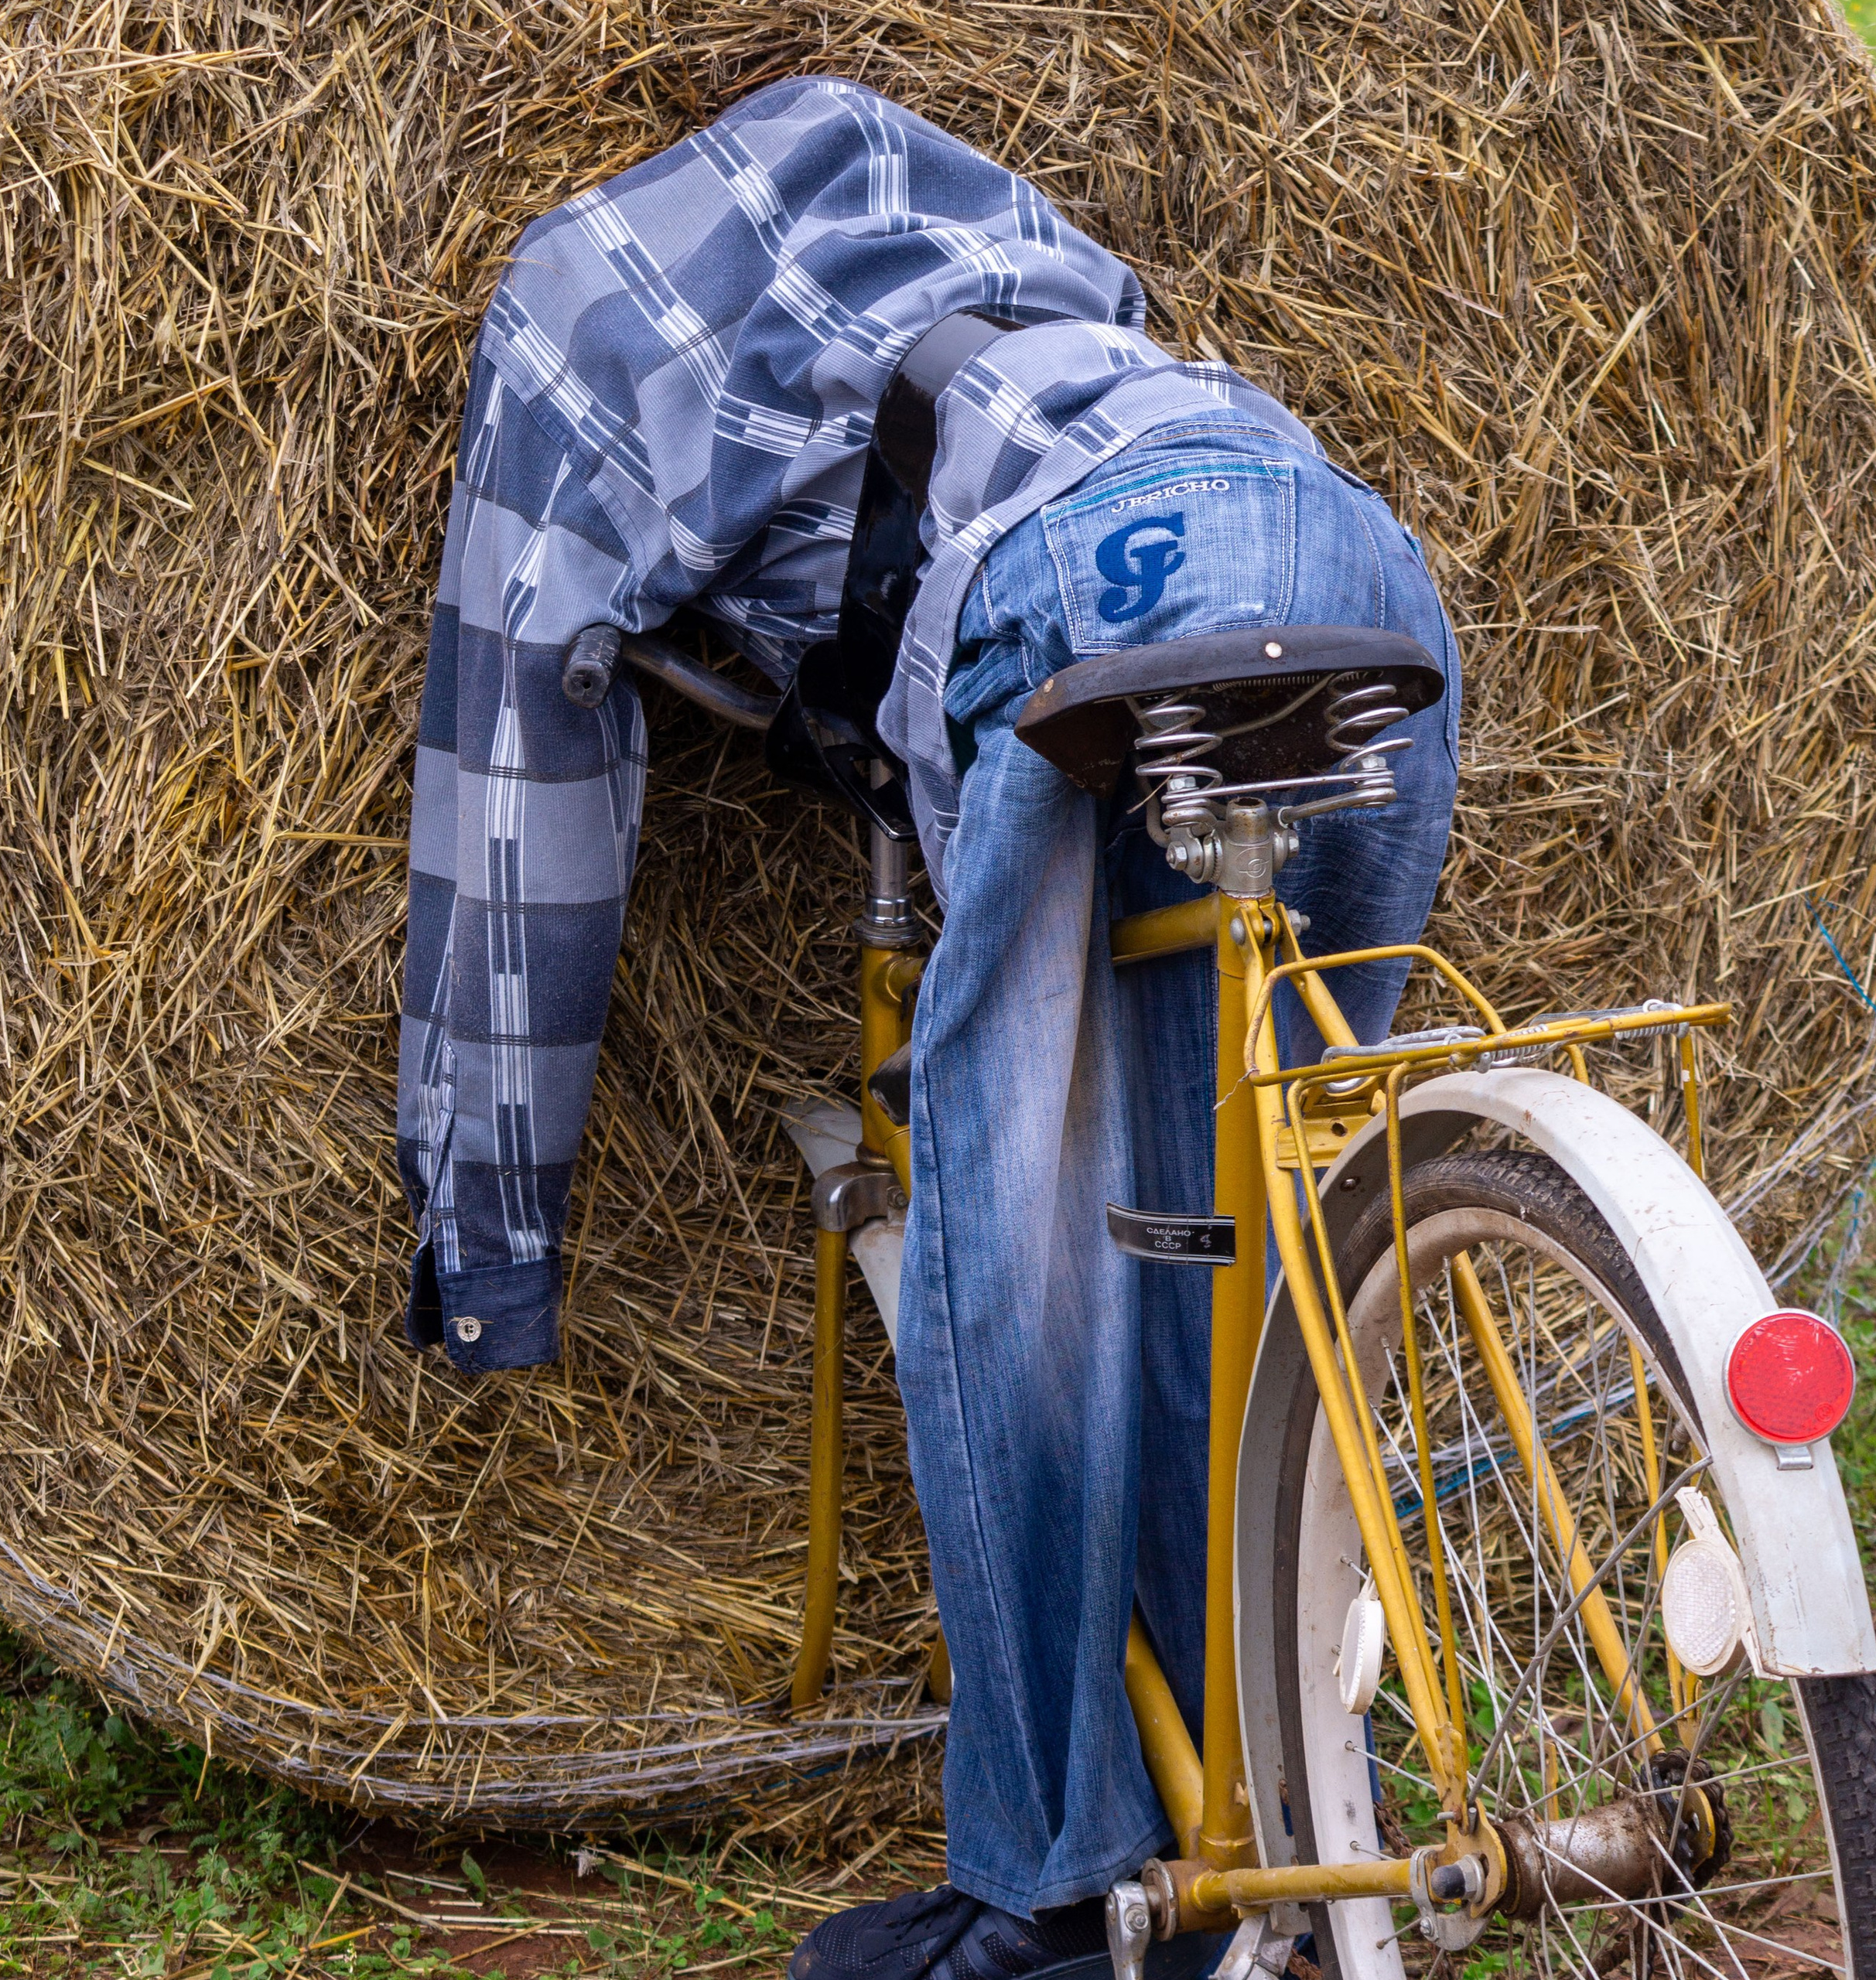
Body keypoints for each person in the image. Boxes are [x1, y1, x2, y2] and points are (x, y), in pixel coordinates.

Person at [396, 73, 1458, 1980]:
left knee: (1026, 1260)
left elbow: (514, 804)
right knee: (1252, 1241)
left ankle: (1052, 1894)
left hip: (1079, 589)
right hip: (1345, 546)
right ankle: (1289, 1821)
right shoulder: (995, 223)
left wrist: (488, 1246)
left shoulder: (569, 312)